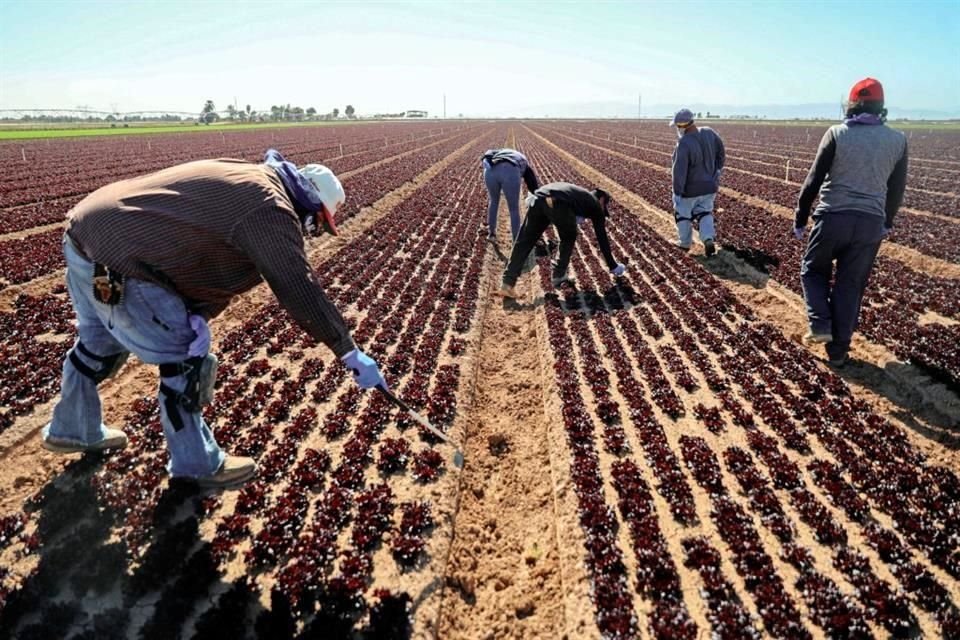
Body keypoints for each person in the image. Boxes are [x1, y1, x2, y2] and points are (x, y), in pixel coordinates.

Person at [41, 149, 387, 488]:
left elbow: (200, 253)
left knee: (97, 345)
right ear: (309, 205)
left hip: (86, 232)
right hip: (124, 260)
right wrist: (347, 349)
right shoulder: (269, 209)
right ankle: (197, 465)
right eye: (318, 224)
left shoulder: (252, 179)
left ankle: (71, 429)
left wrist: (199, 312)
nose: (312, 233)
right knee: (184, 364)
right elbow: (296, 284)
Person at [792, 78, 908, 368]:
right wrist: (887, 222)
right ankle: (839, 352)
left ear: (851, 104)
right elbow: (896, 189)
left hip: (833, 217)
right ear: (881, 107)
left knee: (812, 271)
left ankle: (820, 324)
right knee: (850, 285)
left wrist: (800, 218)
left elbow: (813, 181)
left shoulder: (837, 133)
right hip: (870, 223)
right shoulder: (898, 140)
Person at [498, 182, 626, 298]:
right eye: (605, 207)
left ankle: (507, 283)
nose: (603, 211)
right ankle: (559, 275)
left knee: (525, 240)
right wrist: (613, 266)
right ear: (602, 199)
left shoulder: (579, 195)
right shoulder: (594, 204)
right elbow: (601, 237)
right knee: (569, 236)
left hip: (538, 197)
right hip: (556, 201)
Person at [670, 108, 725, 256]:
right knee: (705, 213)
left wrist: (677, 192)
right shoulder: (709, 132)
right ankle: (707, 238)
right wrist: (717, 169)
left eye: (677, 126)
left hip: (690, 190)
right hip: (709, 187)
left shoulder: (683, 143)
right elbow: (721, 152)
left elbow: (679, 171)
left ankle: (684, 243)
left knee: (683, 215)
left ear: (682, 126)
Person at [481, 148, 540, 241]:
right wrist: (536, 195)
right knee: (513, 208)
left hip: (489, 171)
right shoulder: (524, 161)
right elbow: (532, 182)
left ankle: (491, 234)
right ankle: (516, 240)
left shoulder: (498, 153)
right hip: (510, 170)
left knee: (493, 201)